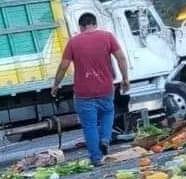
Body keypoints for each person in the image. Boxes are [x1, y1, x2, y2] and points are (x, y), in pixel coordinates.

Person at [51, 13, 130, 165]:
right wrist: (125, 78)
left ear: (81, 27)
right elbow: (121, 58)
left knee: (90, 125)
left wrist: (56, 84)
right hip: (105, 88)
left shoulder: (73, 42)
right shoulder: (107, 37)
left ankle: (96, 158)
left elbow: (63, 66)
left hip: (83, 92)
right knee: (108, 113)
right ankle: (105, 139)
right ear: (95, 23)